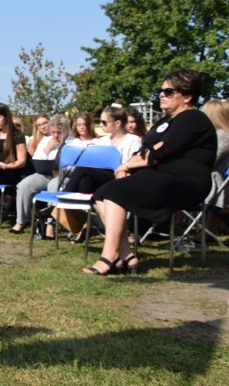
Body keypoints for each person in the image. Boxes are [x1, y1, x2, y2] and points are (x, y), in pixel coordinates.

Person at [88, 68, 217, 275]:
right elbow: (144, 150)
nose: (161, 95)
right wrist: (127, 168)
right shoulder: (165, 121)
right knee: (101, 194)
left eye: (169, 91)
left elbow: (162, 151)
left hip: (185, 182)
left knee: (114, 193)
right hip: (158, 176)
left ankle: (109, 255)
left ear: (187, 96)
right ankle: (126, 254)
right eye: (161, 90)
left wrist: (127, 166)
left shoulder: (194, 119)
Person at [10, 115, 70, 235]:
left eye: (59, 133)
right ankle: (21, 221)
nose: (55, 136)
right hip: (45, 174)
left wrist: (61, 171)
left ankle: (50, 225)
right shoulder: (47, 140)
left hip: (63, 176)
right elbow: (37, 159)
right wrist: (48, 148)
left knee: (54, 185)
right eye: (53, 132)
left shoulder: (73, 142)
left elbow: (75, 166)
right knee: (24, 185)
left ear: (66, 130)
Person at [62, 106, 143, 195]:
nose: (100, 125)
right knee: (84, 181)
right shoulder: (103, 140)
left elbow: (135, 164)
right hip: (103, 176)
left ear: (117, 123)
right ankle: (77, 207)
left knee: (84, 167)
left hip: (121, 176)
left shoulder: (133, 140)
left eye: (104, 122)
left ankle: (63, 197)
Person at [201, 99, 229, 233]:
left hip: (214, 179)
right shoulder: (214, 134)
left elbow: (209, 160)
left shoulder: (223, 135)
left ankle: (207, 233)